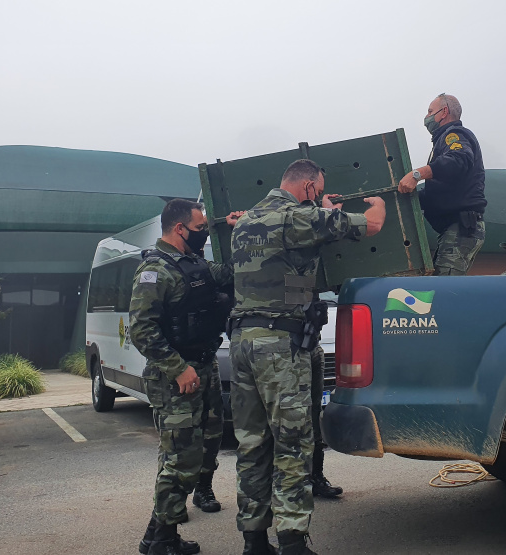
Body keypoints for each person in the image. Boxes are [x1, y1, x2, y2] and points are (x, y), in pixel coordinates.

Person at [229, 159, 385, 555]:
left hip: (243, 344)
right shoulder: (296, 218)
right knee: (293, 442)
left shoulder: (247, 221)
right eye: (318, 190)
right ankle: (293, 542)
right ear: (311, 187)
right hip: (280, 348)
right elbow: (371, 225)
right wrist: (377, 207)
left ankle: (254, 541)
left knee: (252, 444)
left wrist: (321, 210)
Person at [130, 198, 243, 555]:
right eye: (199, 229)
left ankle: (160, 535)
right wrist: (179, 369)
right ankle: (160, 540)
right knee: (179, 458)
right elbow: (142, 329)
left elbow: (228, 273)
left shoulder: (193, 264)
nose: (203, 234)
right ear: (179, 229)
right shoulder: (155, 270)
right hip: (176, 378)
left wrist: (240, 233)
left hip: (204, 367)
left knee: (198, 451)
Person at [397, 93, 487, 275]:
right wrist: (409, 196)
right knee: (440, 281)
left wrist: (416, 175)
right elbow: (439, 193)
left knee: (443, 289)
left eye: (430, 111)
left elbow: (458, 160)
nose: (427, 117)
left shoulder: (453, 135)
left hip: (461, 227)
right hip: (454, 227)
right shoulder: (442, 141)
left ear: (444, 112)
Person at [309, 344, 342, 498]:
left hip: (312, 342)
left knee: (314, 413)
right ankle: (297, 483)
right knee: (293, 418)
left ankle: (316, 478)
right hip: (289, 348)